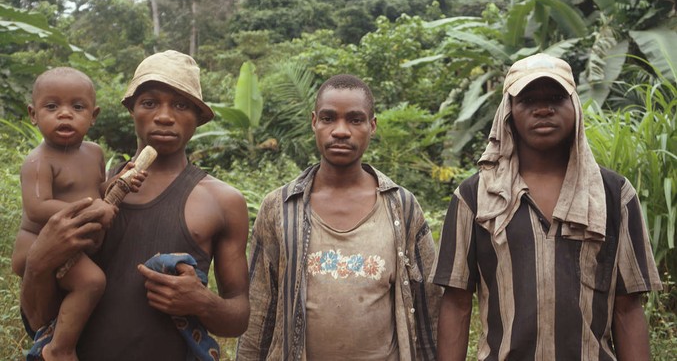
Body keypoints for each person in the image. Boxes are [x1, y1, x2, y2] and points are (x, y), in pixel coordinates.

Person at [19, 50, 251, 360]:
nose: (164, 116)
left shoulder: (223, 202)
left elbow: (239, 316)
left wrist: (202, 302)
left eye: (181, 105)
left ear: (199, 117)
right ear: (132, 110)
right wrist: (38, 262)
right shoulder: (88, 197)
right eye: (149, 102)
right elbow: (37, 321)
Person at [431, 53, 663, 361]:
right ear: (508, 112)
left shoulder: (614, 194)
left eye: (556, 97)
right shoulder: (476, 197)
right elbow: (457, 304)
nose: (543, 109)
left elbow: (627, 308)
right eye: (527, 100)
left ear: (575, 107)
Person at [236, 74, 442, 360]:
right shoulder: (280, 207)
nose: (341, 131)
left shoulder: (402, 208)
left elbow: (428, 307)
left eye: (355, 120)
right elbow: (258, 310)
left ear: (372, 125)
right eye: (329, 118)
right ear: (314, 122)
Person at [11, 67, 134, 361]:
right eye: (52, 106)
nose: (64, 114)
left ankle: (65, 337)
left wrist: (115, 184)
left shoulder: (93, 152)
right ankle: (59, 349)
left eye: (77, 107)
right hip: (38, 246)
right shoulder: (39, 161)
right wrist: (94, 209)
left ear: (93, 115)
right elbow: (38, 207)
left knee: (81, 293)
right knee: (91, 282)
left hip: (74, 247)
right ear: (33, 114)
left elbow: (95, 190)